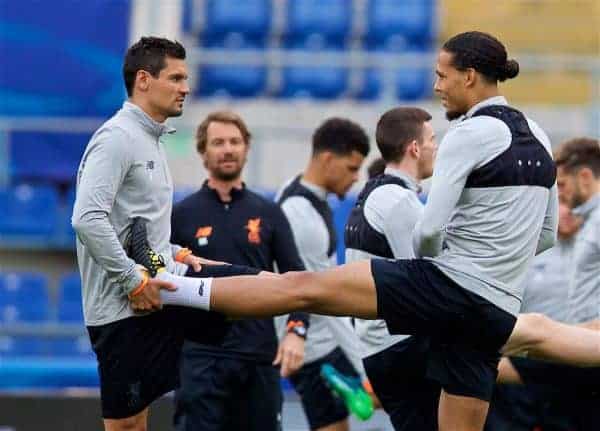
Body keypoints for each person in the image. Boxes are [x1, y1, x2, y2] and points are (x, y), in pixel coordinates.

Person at [124, 32, 600, 431]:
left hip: (448, 289)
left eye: (442, 75)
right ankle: (178, 274)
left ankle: (171, 288)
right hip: (495, 309)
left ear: (469, 77)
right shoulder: (538, 135)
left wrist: (445, 263)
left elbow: (429, 234)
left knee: (301, 288)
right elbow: (543, 237)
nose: (437, 85)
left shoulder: (469, 134)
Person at [71, 37, 258, 431]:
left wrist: (171, 255)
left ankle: (317, 293)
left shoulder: (151, 139)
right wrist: (130, 281)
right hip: (124, 307)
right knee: (126, 425)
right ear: (144, 80)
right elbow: (87, 219)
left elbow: (136, 232)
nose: (186, 88)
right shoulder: (117, 138)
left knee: (251, 287)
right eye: (176, 78)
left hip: (153, 288)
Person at [170, 111, 309, 431]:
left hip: (258, 358)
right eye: (218, 142)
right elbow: (164, 278)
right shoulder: (182, 214)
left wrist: (296, 332)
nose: (228, 149)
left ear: (247, 148)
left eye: (235, 141)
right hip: (200, 359)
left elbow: (297, 278)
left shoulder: (268, 212)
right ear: (203, 151)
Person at [344, 106, 441, 431]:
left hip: (381, 349)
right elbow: (425, 282)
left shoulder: (375, 193)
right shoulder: (399, 201)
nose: (436, 147)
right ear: (415, 148)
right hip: (401, 348)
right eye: (432, 139)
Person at [276, 117, 370, 431]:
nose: (355, 178)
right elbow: (324, 300)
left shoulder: (296, 189)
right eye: (352, 168)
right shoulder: (301, 216)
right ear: (328, 159)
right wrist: (362, 366)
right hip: (316, 350)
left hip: (319, 343)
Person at [487, 202, 580, 431]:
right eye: (564, 204)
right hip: (524, 367)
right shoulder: (527, 249)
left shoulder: (590, 248)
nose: (569, 212)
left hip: (578, 368)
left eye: (576, 206)